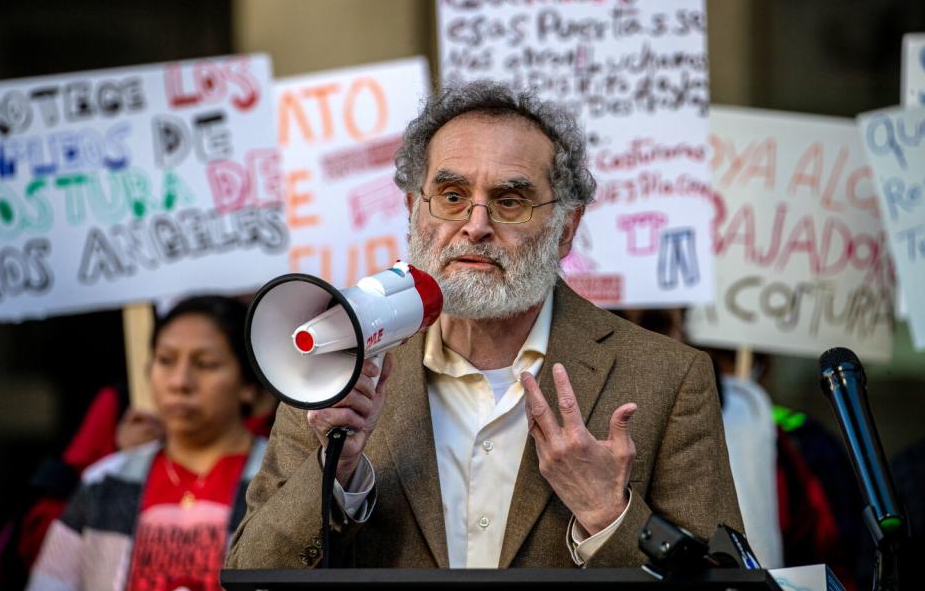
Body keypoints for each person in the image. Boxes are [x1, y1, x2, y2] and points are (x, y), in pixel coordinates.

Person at [226, 81, 742, 569]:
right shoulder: (332, 367)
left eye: (510, 202)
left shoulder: (669, 377)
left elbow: (724, 581)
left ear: (566, 229)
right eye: (451, 196)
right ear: (413, 210)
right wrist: (335, 474)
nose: (475, 225)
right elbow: (251, 572)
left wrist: (608, 517)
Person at [27, 296, 268, 590]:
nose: (180, 382)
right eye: (165, 360)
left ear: (248, 385)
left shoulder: (280, 483)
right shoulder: (104, 482)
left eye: (205, 364)